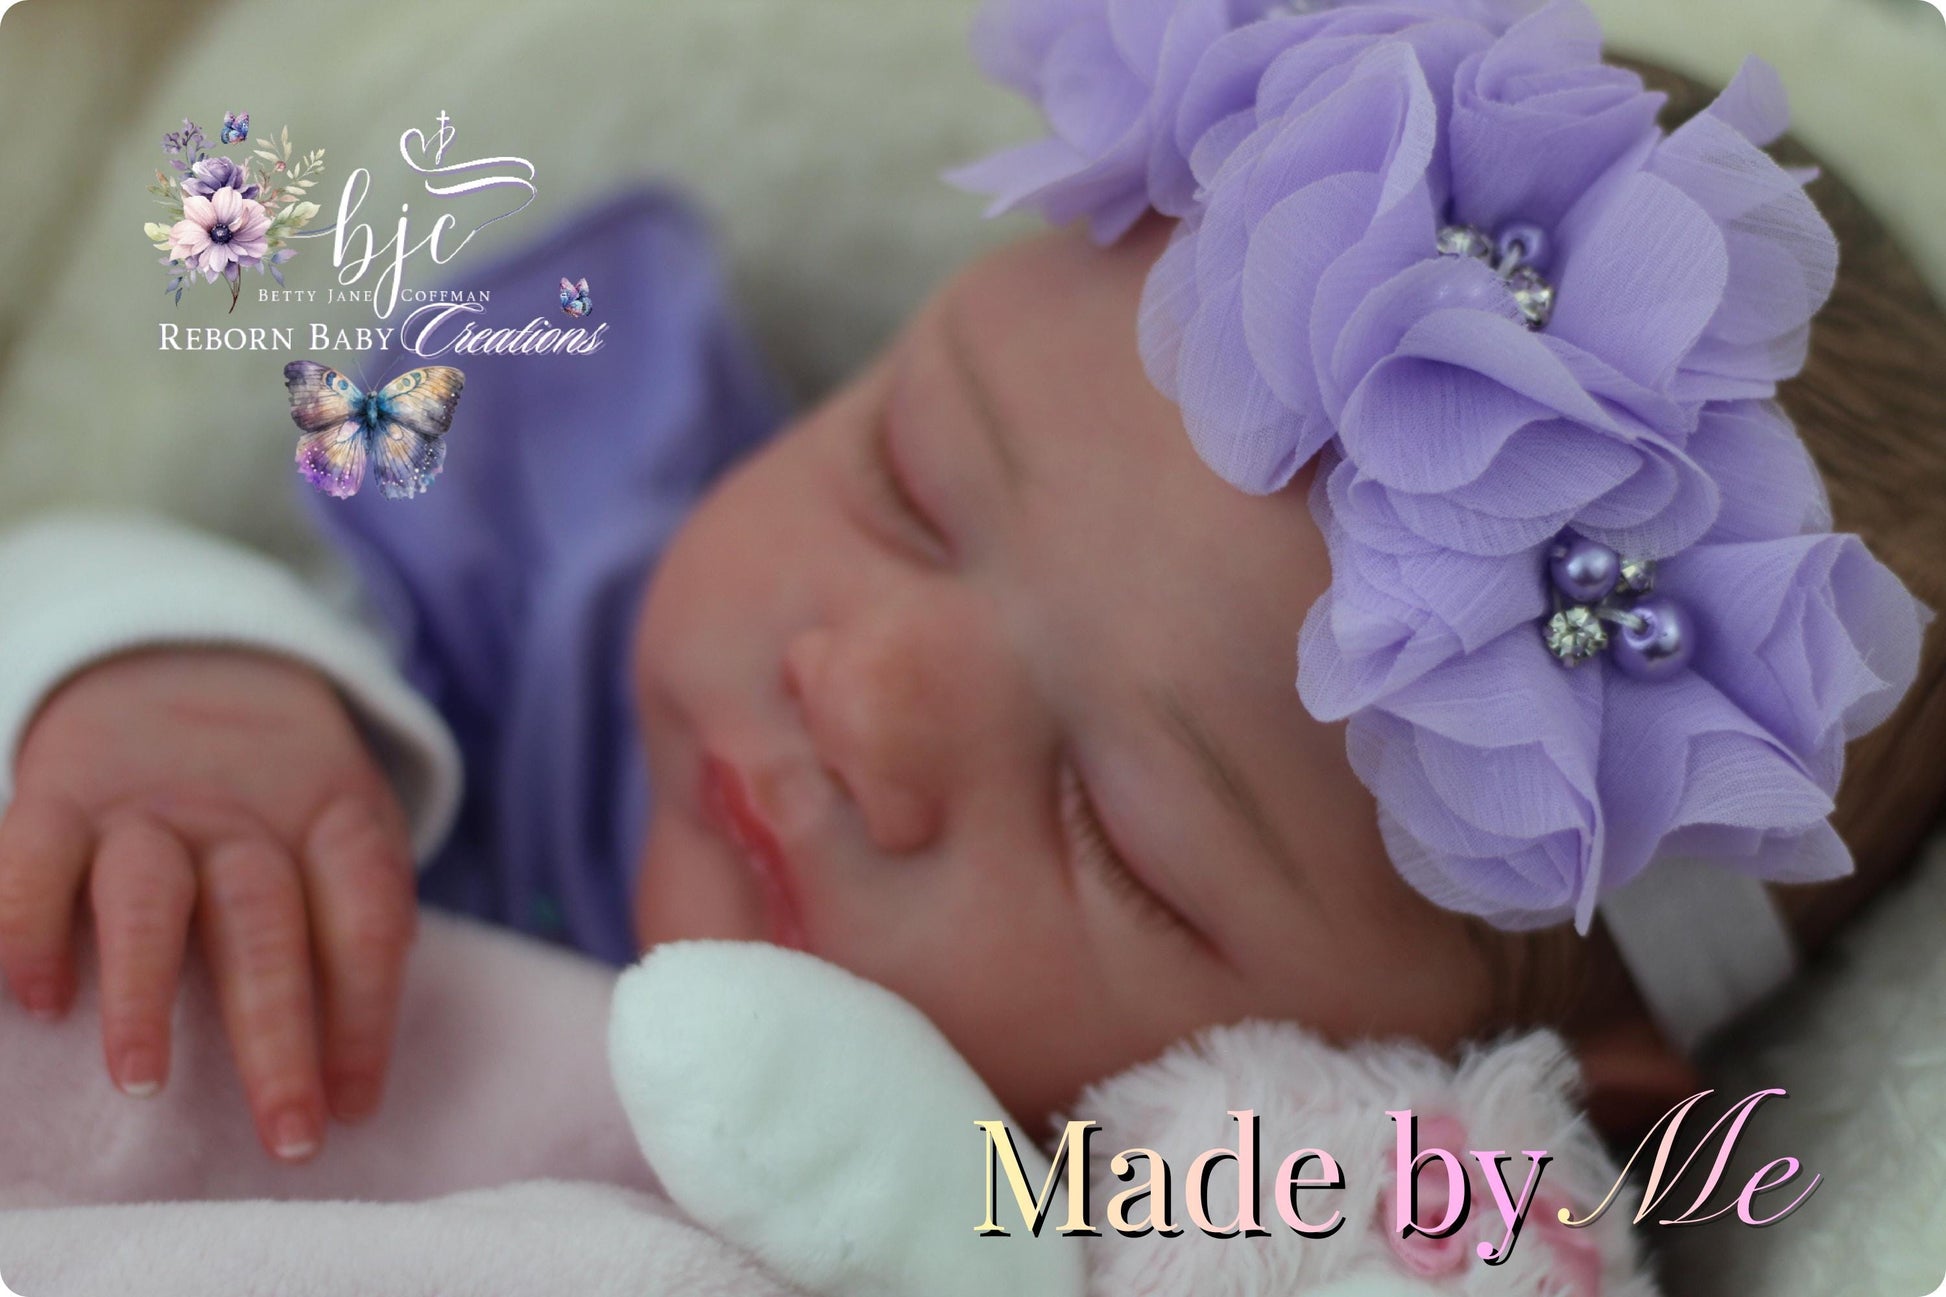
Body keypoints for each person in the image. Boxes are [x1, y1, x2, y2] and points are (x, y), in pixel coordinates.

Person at [1, 1, 1941, 1171]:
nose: (869, 691)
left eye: (1118, 830)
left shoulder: (1166, 1224)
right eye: (911, 490)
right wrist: (174, 683)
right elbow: (89, 560)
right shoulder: (521, 635)